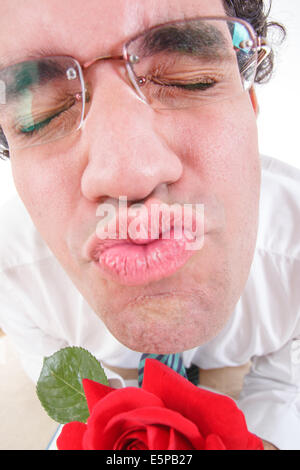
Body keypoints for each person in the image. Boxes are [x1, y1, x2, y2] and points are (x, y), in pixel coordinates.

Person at [0, 0, 299, 451]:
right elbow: (70, 387)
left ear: (250, 108)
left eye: (189, 80)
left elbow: (285, 377)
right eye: (41, 112)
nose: (128, 174)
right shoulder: (13, 272)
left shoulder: (293, 252)